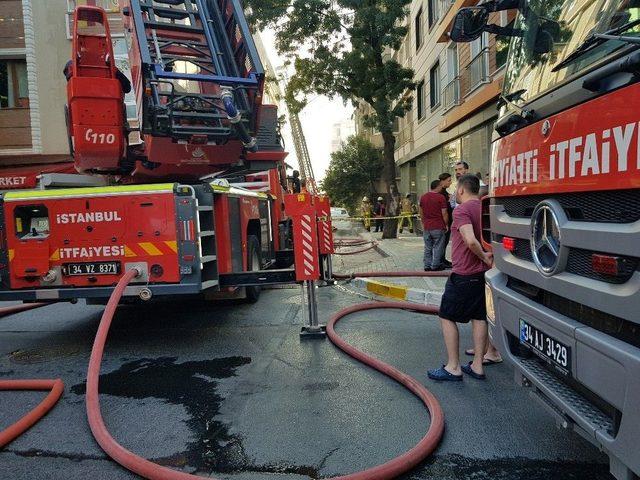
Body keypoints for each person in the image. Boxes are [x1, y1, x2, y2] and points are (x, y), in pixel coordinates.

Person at [427, 174, 493, 382]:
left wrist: (483, 257)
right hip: (482, 275)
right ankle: (478, 366)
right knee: (479, 317)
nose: (455, 193)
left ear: (462, 190)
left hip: (464, 273)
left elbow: (470, 241)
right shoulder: (485, 209)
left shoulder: (461, 210)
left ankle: (453, 367)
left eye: (456, 189)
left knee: (446, 315)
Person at [419, 180, 449, 271]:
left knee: (428, 247)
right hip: (438, 226)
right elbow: (444, 213)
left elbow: (421, 212)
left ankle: (427, 265)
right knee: (438, 246)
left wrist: (423, 223)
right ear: (438, 186)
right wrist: (446, 224)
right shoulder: (441, 197)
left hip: (427, 226)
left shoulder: (423, 197)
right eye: (441, 186)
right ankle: (435, 265)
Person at [439, 173, 454, 268]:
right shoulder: (440, 193)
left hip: (447, 221)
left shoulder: (445, 193)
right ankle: (440, 260)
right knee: (442, 242)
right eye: (448, 180)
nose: (450, 182)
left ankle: (442, 259)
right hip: (443, 222)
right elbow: (443, 210)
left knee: (445, 242)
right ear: (442, 181)